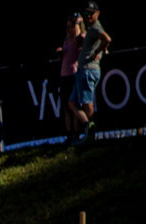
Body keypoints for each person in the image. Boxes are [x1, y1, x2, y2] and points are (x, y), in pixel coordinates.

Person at [70, 3, 111, 143]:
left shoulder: (95, 27)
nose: (88, 16)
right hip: (82, 70)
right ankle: (87, 126)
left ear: (97, 13)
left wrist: (97, 52)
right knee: (72, 102)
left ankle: (92, 135)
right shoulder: (91, 29)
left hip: (88, 70)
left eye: (91, 13)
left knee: (87, 103)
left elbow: (107, 39)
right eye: (86, 13)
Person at [56, 10, 87, 141]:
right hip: (64, 75)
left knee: (73, 105)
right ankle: (69, 134)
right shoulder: (67, 40)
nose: (69, 29)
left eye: (71, 26)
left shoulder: (80, 39)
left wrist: (78, 23)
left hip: (73, 75)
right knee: (65, 107)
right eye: (67, 26)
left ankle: (77, 133)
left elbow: (82, 44)